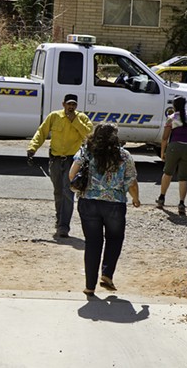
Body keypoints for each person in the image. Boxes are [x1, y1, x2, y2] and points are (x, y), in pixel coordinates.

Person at [68, 122, 140, 295]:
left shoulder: (85, 152)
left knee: (93, 243)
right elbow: (131, 181)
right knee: (114, 239)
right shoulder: (124, 155)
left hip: (88, 202)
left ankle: (89, 286)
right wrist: (136, 199)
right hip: (115, 204)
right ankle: (107, 274)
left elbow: (72, 174)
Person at [27, 94, 93, 238]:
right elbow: (41, 132)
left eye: (73, 105)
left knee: (67, 193)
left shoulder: (82, 118)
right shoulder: (54, 116)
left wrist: (74, 121)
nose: (71, 107)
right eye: (69, 104)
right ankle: (59, 221)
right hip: (56, 160)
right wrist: (32, 148)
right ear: (63, 104)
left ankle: (64, 226)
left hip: (72, 161)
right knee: (58, 192)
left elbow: (89, 135)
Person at [155, 96, 187, 216]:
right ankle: (181, 203)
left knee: (168, 172)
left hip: (174, 147)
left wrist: (162, 152)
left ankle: (161, 198)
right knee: (183, 177)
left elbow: (165, 137)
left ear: (174, 106)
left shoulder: (171, 118)